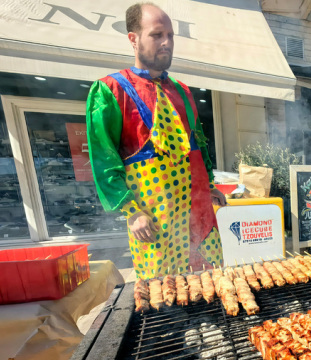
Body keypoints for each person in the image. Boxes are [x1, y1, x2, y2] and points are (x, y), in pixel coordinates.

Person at [86, 3, 226, 279]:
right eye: (157, 34)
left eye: (171, 35)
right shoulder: (110, 90)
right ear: (133, 38)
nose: (167, 42)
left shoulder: (183, 91)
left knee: (212, 287)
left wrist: (209, 185)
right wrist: (131, 211)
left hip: (200, 217)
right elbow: (104, 158)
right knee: (162, 298)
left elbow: (198, 145)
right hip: (155, 223)